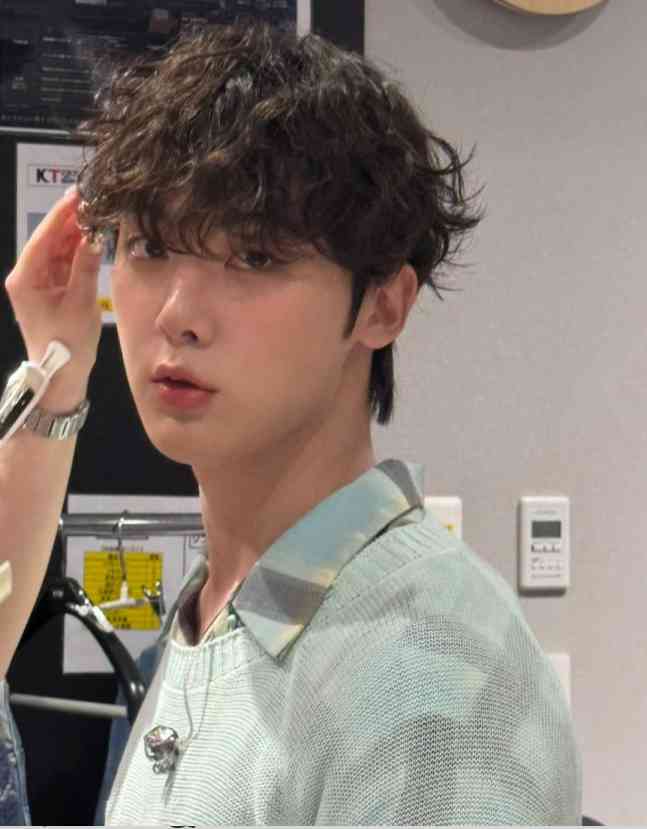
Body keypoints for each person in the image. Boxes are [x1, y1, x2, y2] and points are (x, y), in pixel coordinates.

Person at [0, 20, 581, 825]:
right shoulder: (226, 608)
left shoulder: (429, 686)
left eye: (257, 257)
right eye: (150, 247)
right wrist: (53, 372)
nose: (177, 314)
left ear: (381, 305)